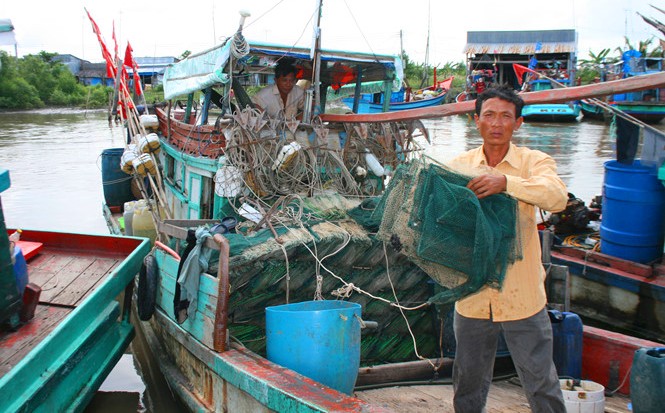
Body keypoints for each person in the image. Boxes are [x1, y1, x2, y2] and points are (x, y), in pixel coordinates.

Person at [449, 84, 568, 413]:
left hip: (523, 294)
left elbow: (557, 198)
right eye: (489, 115)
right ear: (477, 121)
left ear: (518, 123)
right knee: (467, 382)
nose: (497, 123)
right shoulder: (460, 165)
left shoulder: (535, 162)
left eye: (506, 116)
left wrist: (507, 184)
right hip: (471, 295)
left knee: (541, 381)